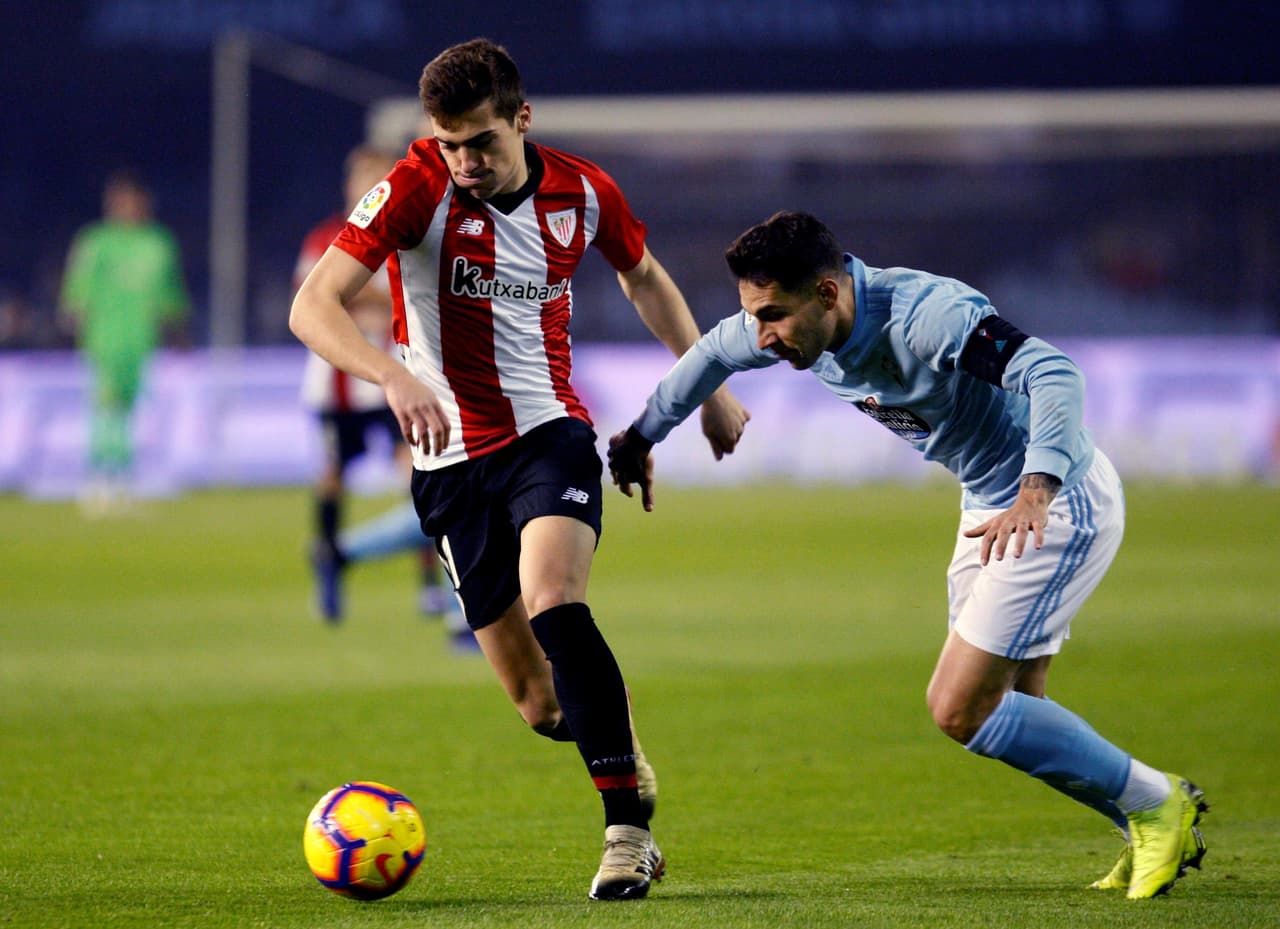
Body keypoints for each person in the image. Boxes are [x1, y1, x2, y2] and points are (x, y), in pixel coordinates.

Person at [607, 210, 1208, 900]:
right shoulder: (788, 325)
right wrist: (640, 435)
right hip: (989, 505)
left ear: (828, 293)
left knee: (960, 706)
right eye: (756, 316)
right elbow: (709, 356)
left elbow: (1056, 375)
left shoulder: (928, 318)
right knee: (1015, 708)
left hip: (1055, 501)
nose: (764, 336)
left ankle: (1159, 800)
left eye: (773, 316)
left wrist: (1036, 488)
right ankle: (1147, 818)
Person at [289, 38, 748, 900]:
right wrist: (390, 373)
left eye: (483, 142)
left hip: (548, 434)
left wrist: (706, 385)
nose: (465, 162)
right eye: (450, 142)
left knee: (555, 599)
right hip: (448, 467)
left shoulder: (583, 190)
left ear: (522, 119)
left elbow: (643, 277)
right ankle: (619, 747)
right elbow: (311, 306)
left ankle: (627, 835)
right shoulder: (416, 187)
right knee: (540, 705)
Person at [295, 145, 457, 631]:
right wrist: (361, 294)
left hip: (393, 386)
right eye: (360, 179)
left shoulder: (404, 233)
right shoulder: (324, 237)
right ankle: (332, 571)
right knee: (332, 481)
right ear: (348, 186)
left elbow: (371, 296)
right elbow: (313, 301)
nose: (367, 188)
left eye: (376, 178)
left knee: (422, 481)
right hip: (336, 387)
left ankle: (431, 584)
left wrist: (351, 293)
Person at [59, 170, 188, 513]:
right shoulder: (95, 241)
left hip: (140, 340)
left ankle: (123, 479)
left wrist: (177, 330)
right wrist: (74, 317)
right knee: (106, 406)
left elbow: (169, 292)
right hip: (103, 337)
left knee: (127, 409)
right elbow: (78, 288)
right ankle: (98, 479)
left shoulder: (157, 242)